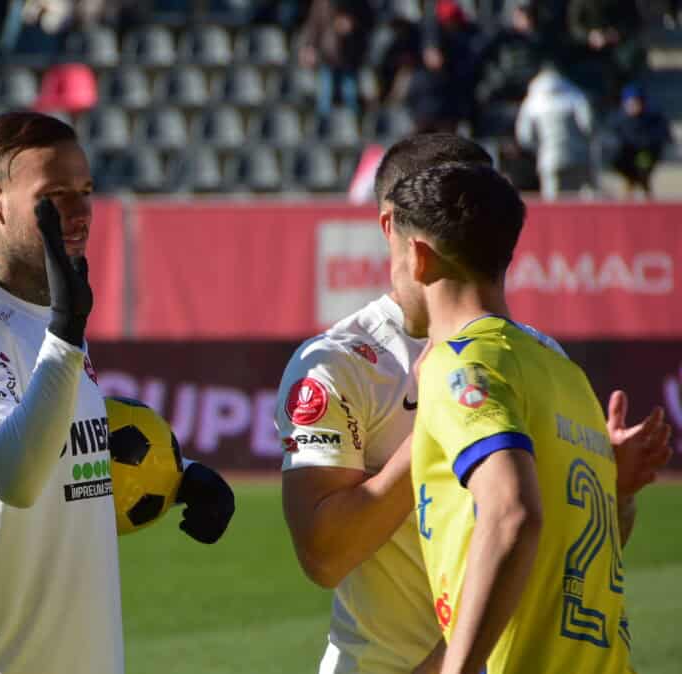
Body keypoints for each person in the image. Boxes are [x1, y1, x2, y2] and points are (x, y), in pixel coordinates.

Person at [274, 133, 672, 674]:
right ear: (395, 224)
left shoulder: (538, 358)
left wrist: (610, 495)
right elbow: (323, 556)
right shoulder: (340, 361)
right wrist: (449, 429)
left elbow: (565, 554)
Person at [0, 110, 235, 674]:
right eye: (56, 195)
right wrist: (65, 332)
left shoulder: (44, 312)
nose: (81, 213)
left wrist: (178, 477)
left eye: (86, 190)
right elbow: (13, 476)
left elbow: (64, 450)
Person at [391, 161, 653, 672]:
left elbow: (513, 514)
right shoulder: (564, 373)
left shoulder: (458, 365)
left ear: (417, 257)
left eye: (391, 256)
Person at [516, 63, 596, 199]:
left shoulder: (532, 101)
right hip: (578, 156)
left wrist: (539, 149)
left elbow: (524, 137)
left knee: (553, 204)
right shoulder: (575, 95)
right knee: (579, 203)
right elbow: (588, 126)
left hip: (549, 158)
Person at [609, 83, 672, 197]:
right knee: (617, 159)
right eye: (630, 103)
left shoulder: (653, 117)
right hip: (626, 155)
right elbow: (611, 137)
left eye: (636, 102)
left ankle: (643, 186)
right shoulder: (618, 118)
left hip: (646, 152)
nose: (633, 106)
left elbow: (663, 136)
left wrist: (646, 143)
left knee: (643, 164)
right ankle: (632, 182)